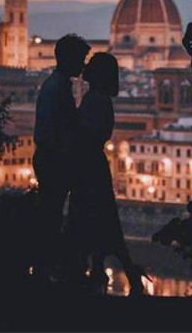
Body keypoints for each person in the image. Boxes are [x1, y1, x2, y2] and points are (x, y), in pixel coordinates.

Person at [69, 52, 151, 296]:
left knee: (88, 217)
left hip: (88, 167)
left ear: (98, 74)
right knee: (104, 221)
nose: (85, 69)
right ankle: (116, 273)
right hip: (95, 165)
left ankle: (98, 275)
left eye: (91, 67)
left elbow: (85, 133)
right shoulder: (101, 99)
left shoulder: (95, 99)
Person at [33, 33, 90, 282]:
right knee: (51, 215)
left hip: (50, 159)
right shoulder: (57, 87)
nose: (83, 65)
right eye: (80, 59)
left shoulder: (56, 85)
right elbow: (52, 130)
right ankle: (45, 270)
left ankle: (46, 267)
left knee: (51, 213)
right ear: (69, 59)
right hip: (52, 161)